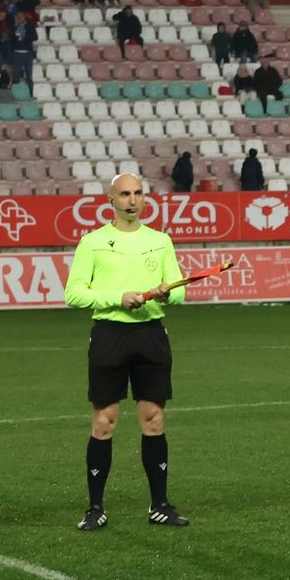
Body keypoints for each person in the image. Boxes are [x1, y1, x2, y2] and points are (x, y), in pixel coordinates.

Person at [64, 173, 188, 532]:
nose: (132, 200)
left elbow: (179, 291)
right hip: (109, 335)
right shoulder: (93, 242)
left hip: (151, 335)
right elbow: (73, 294)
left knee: (154, 421)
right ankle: (95, 508)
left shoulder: (160, 240)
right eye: (124, 194)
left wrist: (167, 293)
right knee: (104, 423)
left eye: (137, 193)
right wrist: (118, 298)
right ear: (111, 200)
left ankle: (160, 505)